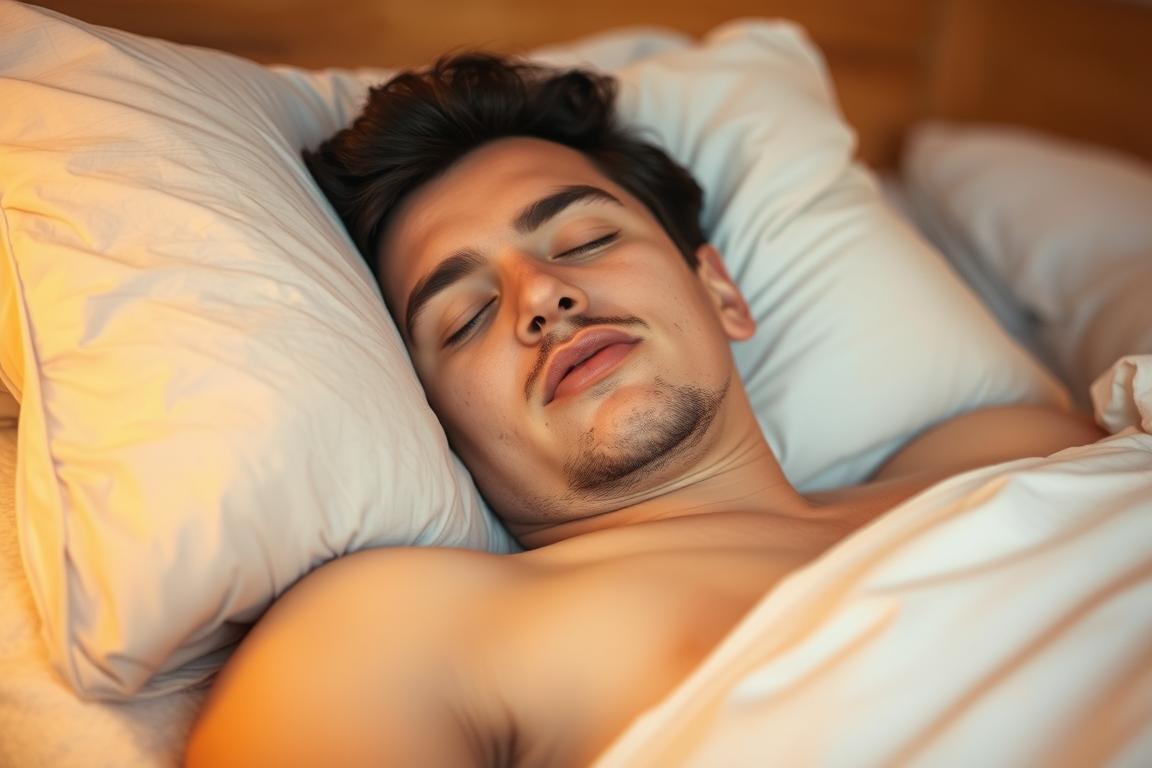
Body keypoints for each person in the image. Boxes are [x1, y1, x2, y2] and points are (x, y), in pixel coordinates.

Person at [185, 54, 1104, 767]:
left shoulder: (1009, 452)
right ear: (438, 426)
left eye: (585, 240)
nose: (541, 295)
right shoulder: (396, 633)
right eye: (463, 318)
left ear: (720, 292)